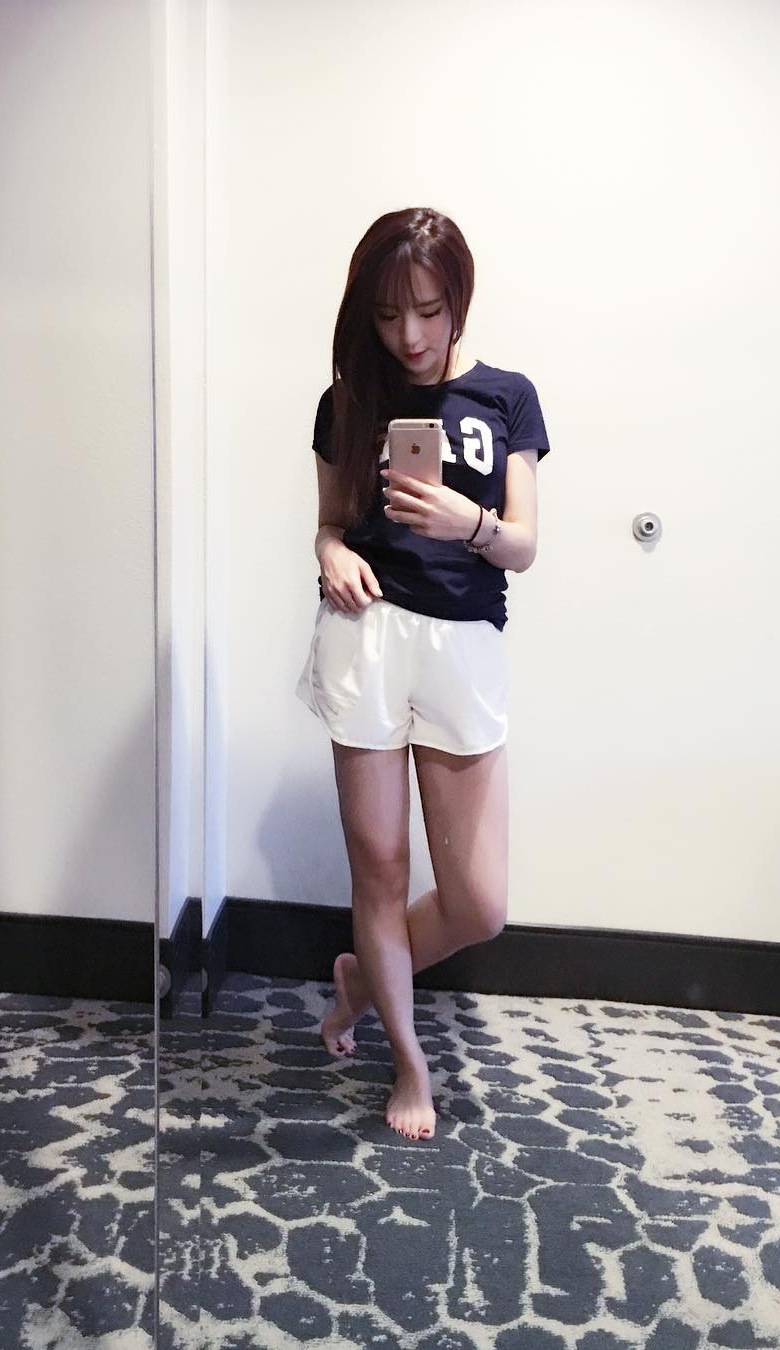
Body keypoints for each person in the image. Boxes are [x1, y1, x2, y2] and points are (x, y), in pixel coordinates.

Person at [296, 207, 550, 1142]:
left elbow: (522, 544)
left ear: (459, 302)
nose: (409, 335)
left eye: (430, 312)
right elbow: (330, 521)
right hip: (366, 635)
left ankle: (362, 977)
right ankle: (408, 1061)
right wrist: (331, 551)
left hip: (462, 644)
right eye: (388, 314)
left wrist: (465, 523)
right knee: (381, 868)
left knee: (479, 901)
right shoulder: (348, 402)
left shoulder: (507, 397)